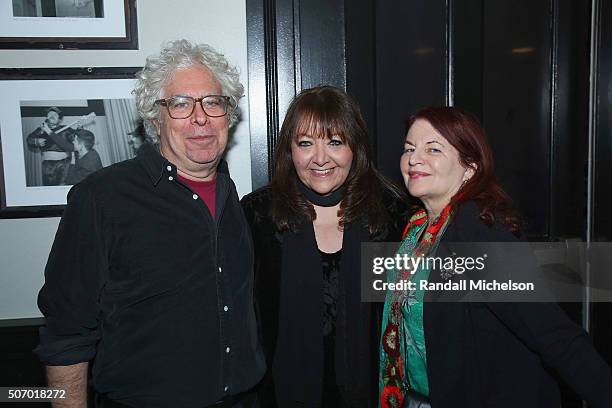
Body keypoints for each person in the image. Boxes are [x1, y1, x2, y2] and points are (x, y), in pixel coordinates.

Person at [35, 39, 265, 408]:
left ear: (228, 114)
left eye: (213, 102)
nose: (200, 118)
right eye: (180, 104)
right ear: (155, 119)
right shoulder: (101, 198)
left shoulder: (234, 196)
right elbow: (66, 334)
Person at [378, 106, 612, 408]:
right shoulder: (417, 230)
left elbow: (552, 334)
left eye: (432, 149)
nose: (413, 159)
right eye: (408, 148)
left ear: (470, 167)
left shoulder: (478, 233)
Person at [241, 86, 409, 407]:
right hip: (278, 394)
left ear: (354, 148)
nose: (320, 158)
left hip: (372, 394)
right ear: (289, 151)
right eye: (306, 143)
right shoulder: (257, 215)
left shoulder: (390, 215)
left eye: (334, 142)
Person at [26, 107, 75, 186]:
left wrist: (80, 129)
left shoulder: (66, 129)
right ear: (46, 117)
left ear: (59, 119)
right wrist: (37, 141)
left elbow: (77, 139)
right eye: (50, 114)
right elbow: (29, 139)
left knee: (63, 187)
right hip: (47, 166)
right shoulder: (41, 130)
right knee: (49, 188)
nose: (52, 116)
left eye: (55, 114)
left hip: (64, 164)